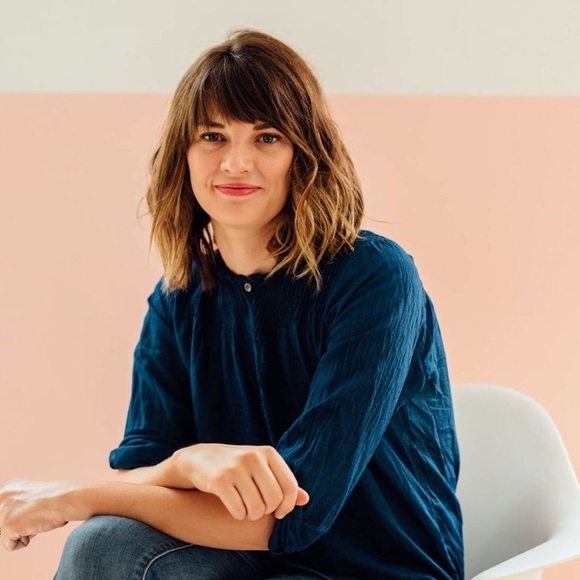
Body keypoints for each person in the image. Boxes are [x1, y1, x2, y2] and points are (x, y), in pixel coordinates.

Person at [0, 29, 463, 579]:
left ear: (304, 154)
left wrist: (75, 497)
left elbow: (294, 515)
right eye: (213, 137)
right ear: (184, 156)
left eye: (267, 137)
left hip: (377, 569)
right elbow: (137, 476)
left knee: (100, 533)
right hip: (249, 562)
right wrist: (189, 461)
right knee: (104, 544)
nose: (236, 163)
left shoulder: (375, 277)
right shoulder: (179, 298)